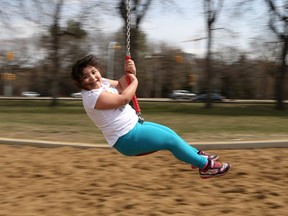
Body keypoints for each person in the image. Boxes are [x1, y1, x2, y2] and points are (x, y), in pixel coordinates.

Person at [71, 54, 231, 179]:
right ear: (80, 83)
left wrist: (131, 73)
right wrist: (135, 81)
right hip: (126, 138)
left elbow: (121, 85)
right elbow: (123, 98)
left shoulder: (103, 83)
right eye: (86, 76)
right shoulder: (92, 97)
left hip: (135, 127)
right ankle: (206, 167)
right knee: (171, 141)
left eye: (93, 72)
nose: (92, 77)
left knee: (170, 133)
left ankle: (195, 156)